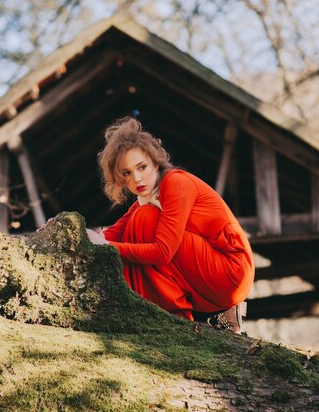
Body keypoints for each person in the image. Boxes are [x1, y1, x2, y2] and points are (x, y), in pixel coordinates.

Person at [87, 117, 254, 333]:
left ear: (156, 163)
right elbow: (110, 235)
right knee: (137, 223)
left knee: (144, 221)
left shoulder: (176, 183)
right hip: (209, 288)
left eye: (142, 167)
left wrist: (106, 246)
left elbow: (162, 252)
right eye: (127, 173)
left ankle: (172, 315)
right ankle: (170, 311)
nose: (137, 179)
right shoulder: (144, 201)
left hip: (231, 272)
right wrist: (68, 231)